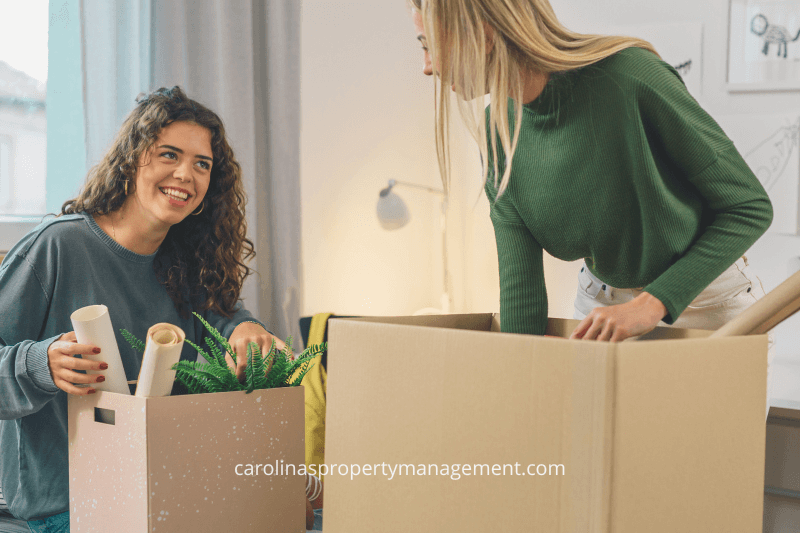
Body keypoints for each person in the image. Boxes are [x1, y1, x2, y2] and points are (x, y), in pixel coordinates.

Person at [0, 87, 286, 530]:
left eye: (202, 164)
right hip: (66, 504)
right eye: (169, 154)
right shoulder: (58, 247)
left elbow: (223, 314)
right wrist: (41, 364)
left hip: (164, 490)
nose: (185, 174)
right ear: (134, 158)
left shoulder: (188, 264)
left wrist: (246, 328)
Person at [408, 0, 773, 342]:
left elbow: (748, 207)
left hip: (706, 307)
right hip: (600, 311)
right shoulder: (497, 132)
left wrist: (651, 303)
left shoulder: (630, 78)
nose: (427, 66)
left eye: (430, 45)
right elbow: (522, 293)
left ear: (485, 35)